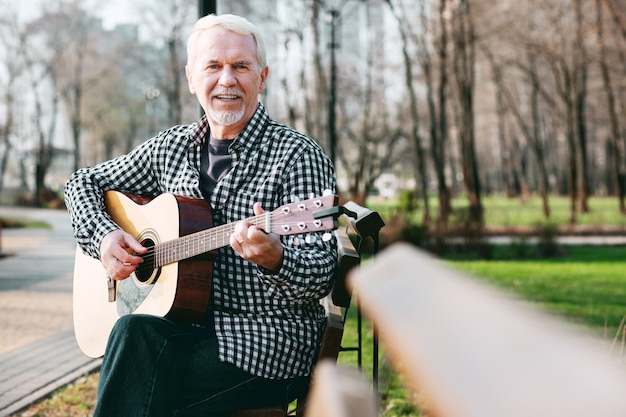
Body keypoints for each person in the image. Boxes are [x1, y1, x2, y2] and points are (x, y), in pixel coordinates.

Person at [64, 13, 337, 417]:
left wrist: (277, 259)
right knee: (132, 333)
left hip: (267, 343)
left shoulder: (298, 155)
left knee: (145, 389)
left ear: (261, 77)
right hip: (183, 331)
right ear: (192, 77)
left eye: (240, 66)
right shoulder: (170, 148)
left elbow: (321, 273)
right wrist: (104, 237)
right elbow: (80, 184)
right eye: (214, 66)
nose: (227, 79)